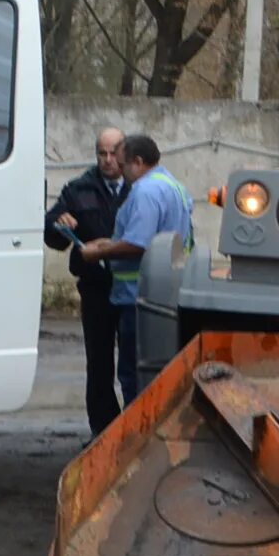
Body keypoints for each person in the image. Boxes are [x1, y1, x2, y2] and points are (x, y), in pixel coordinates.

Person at [79, 131, 190, 400]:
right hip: (167, 292)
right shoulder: (172, 185)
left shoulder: (145, 191)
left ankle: (137, 435)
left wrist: (99, 252)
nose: (118, 169)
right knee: (159, 370)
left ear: (137, 162)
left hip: (138, 296)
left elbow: (138, 244)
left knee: (134, 374)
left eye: (122, 163)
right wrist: (110, 241)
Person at [45, 127, 127, 437]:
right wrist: (59, 223)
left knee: (133, 364)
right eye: (101, 154)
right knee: (99, 364)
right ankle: (103, 433)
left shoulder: (140, 187)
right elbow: (51, 231)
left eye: (113, 153)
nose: (107, 161)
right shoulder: (79, 189)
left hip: (133, 290)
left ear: (125, 153)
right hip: (96, 289)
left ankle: (135, 431)